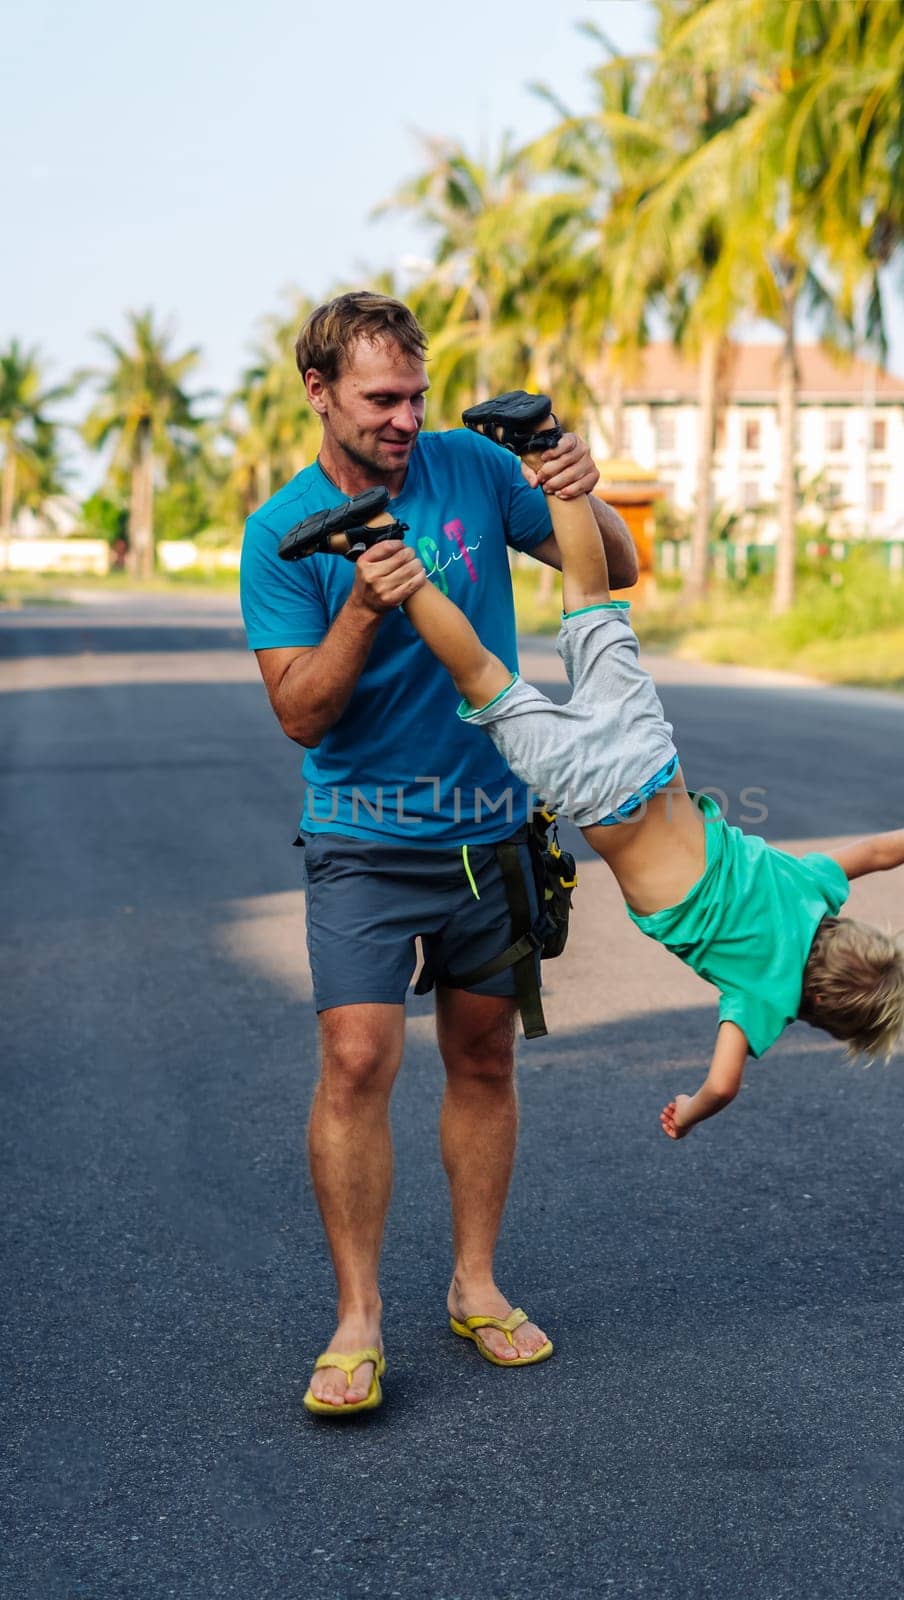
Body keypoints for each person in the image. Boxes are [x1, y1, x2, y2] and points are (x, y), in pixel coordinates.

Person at [367, 391, 904, 1146]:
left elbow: (879, 850)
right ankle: (378, 548)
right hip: (596, 795)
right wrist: (691, 1107)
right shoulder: (763, 993)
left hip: (648, 753)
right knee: (484, 680)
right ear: (816, 1012)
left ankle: (538, 445)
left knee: (589, 599)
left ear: (846, 930)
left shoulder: (811, 890)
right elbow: (724, 1079)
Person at [239, 297, 637, 1414]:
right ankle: (358, 1317)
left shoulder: (469, 466)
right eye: (381, 400)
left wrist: (575, 489)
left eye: (416, 394)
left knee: (485, 1056)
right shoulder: (281, 531)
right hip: (363, 835)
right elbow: (299, 716)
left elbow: (615, 569)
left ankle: (475, 1283)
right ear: (319, 393)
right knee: (359, 1059)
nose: (406, 417)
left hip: (493, 828)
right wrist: (364, 607)